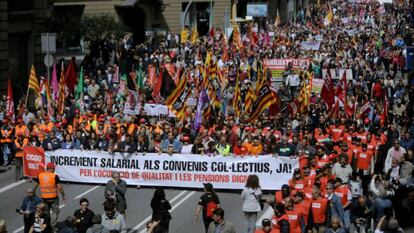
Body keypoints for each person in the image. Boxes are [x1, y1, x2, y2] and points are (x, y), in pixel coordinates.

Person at [33, 162, 66, 232]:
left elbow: (35, 184)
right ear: (51, 168)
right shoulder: (54, 176)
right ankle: (52, 226)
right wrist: (63, 195)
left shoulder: (40, 175)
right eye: (53, 168)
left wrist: (33, 191)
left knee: (46, 213)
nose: (54, 169)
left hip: (44, 198)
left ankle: (47, 226)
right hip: (54, 198)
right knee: (55, 212)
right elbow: (60, 187)